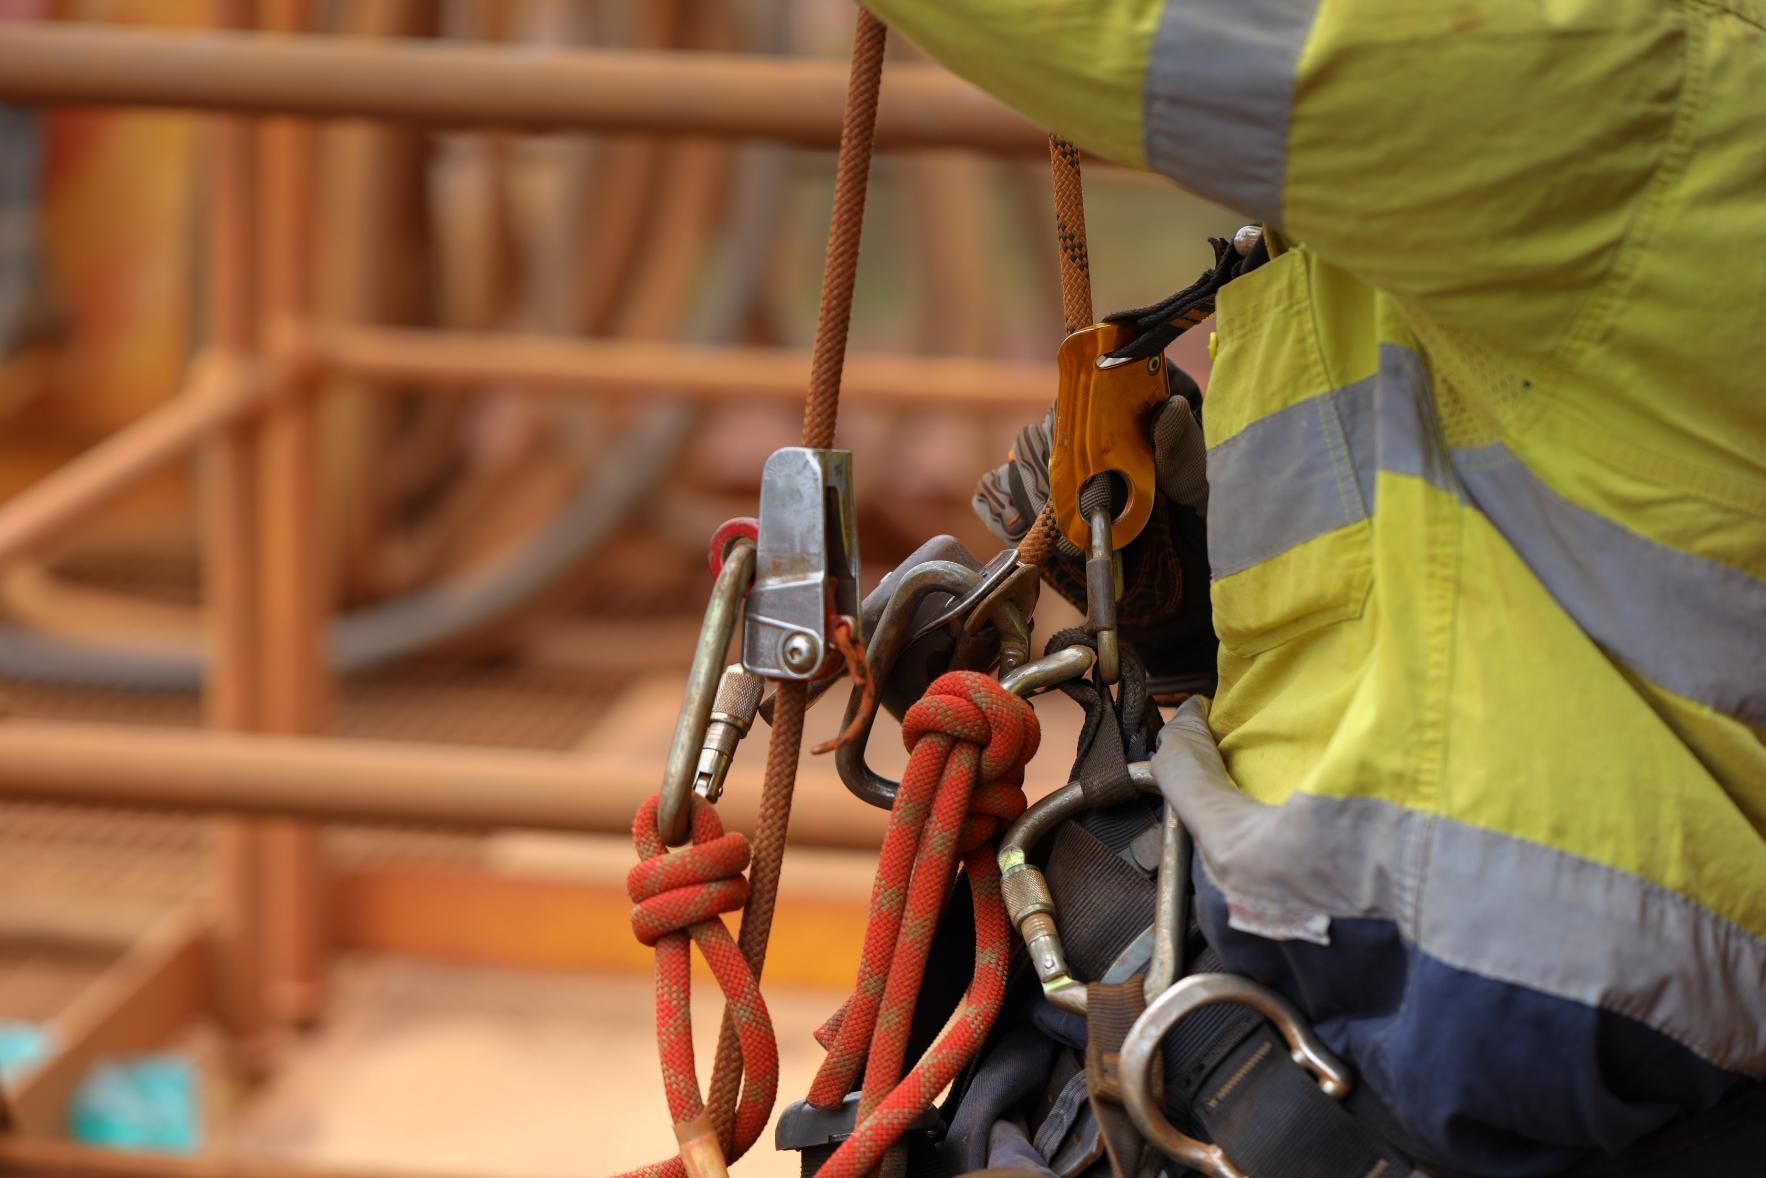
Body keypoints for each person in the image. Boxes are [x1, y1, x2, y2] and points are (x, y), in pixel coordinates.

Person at [861, 2, 1766, 1175]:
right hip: (1462, 1030)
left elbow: (1116, 24)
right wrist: (1197, 631)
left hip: (1492, 1070)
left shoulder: (1629, 80)